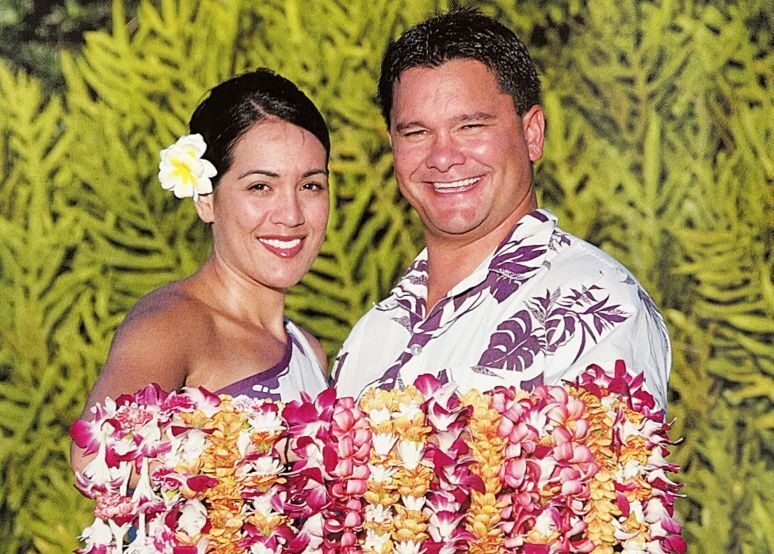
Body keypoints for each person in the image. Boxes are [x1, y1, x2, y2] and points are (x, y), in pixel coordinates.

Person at [332, 9, 671, 409]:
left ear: (532, 134)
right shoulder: (372, 335)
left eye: (471, 127)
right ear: (393, 145)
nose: (442, 157)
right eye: (417, 133)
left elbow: (606, 466)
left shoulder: (593, 304)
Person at [71, 68, 331, 472]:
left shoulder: (308, 351)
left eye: (310, 185)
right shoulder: (174, 324)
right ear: (205, 200)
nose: (291, 214)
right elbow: (95, 458)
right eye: (260, 187)